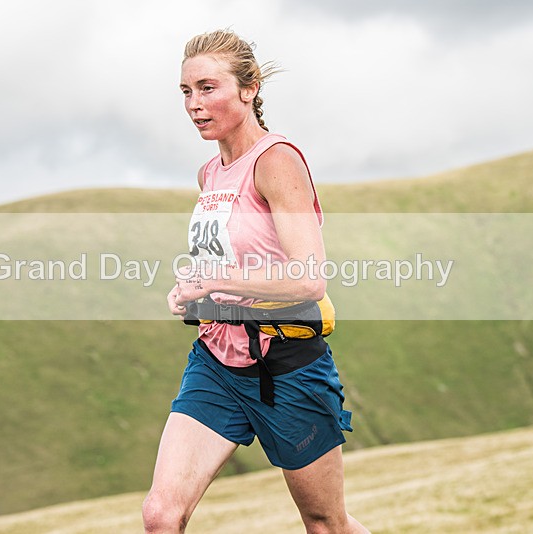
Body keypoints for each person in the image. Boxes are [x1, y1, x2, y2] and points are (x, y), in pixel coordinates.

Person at [142, 30, 370, 534]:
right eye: (185, 92)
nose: (194, 105)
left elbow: (309, 281)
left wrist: (216, 279)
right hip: (216, 363)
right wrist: (192, 291)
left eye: (207, 88)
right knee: (161, 514)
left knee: (325, 523)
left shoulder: (277, 161)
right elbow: (230, 261)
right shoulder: (209, 173)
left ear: (249, 88)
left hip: (286, 366)